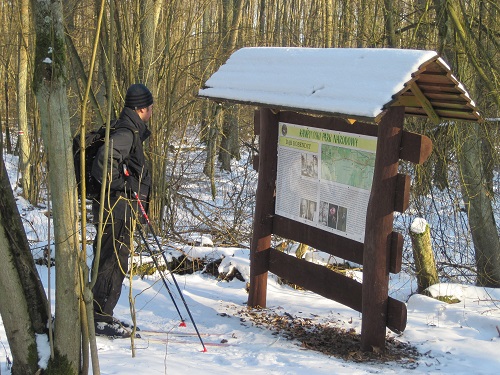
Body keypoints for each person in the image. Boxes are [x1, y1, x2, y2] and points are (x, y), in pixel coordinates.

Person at [91, 83, 153, 338]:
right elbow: (105, 160)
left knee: (109, 259)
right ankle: (99, 318)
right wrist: (122, 187)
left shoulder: (127, 129)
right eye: (150, 107)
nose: (151, 112)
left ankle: (99, 312)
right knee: (113, 262)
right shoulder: (127, 132)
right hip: (116, 209)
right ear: (141, 109)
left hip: (116, 208)